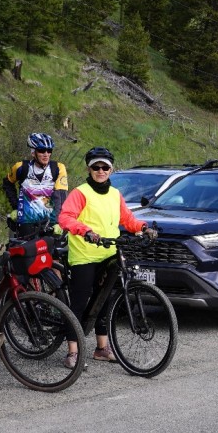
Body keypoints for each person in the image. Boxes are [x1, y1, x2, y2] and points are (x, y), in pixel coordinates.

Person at [57, 147, 156, 369]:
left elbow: (127, 219)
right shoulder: (80, 193)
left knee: (105, 302)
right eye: (96, 167)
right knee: (80, 302)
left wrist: (143, 227)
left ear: (111, 169)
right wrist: (85, 230)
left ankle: (101, 348)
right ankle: (72, 351)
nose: (100, 171)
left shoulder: (115, 194)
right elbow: (65, 217)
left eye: (105, 167)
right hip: (84, 255)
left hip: (110, 254)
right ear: (89, 169)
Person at [3, 133, 68, 238]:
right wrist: (16, 206)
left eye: (49, 150)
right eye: (42, 150)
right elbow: (7, 183)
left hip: (50, 222)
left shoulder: (58, 168)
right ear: (33, 152)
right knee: (26, 252)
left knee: (51, 253)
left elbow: (61, 196)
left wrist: (58, 221)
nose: (46, 154)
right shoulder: (21, 167)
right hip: (26, 221)